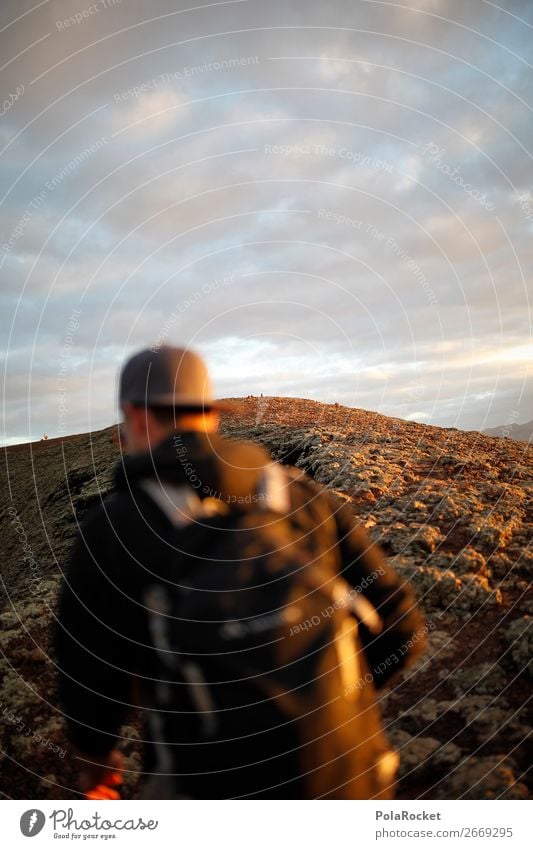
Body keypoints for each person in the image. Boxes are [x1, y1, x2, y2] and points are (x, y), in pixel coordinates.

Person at [55, 345, 426, 799]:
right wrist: (326, 703)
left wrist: (96, 758)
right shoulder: (302, 496)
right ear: (210, 416)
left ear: (134, 416)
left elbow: (87, 670)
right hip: (348, 780)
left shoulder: (113, 530)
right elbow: (402, 626)